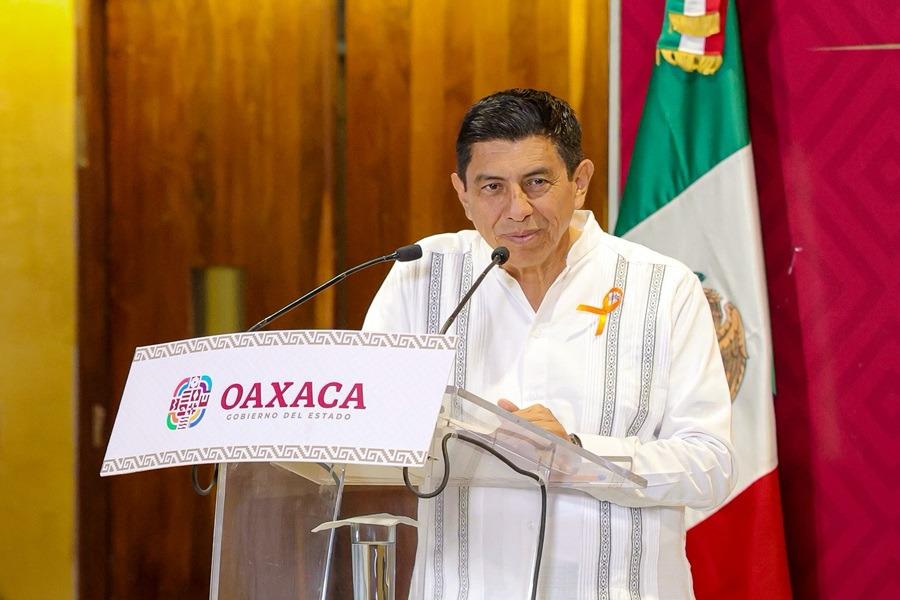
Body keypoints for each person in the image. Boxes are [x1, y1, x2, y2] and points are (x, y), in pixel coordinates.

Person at [363, 89, 734, 599]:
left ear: (579, 182)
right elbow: (366, 430)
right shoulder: (421, 276)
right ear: (462, 193)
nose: (517, 210)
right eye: (492, 187)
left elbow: (710, 466)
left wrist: (576, 454)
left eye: (537, 182)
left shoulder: (662, 287)